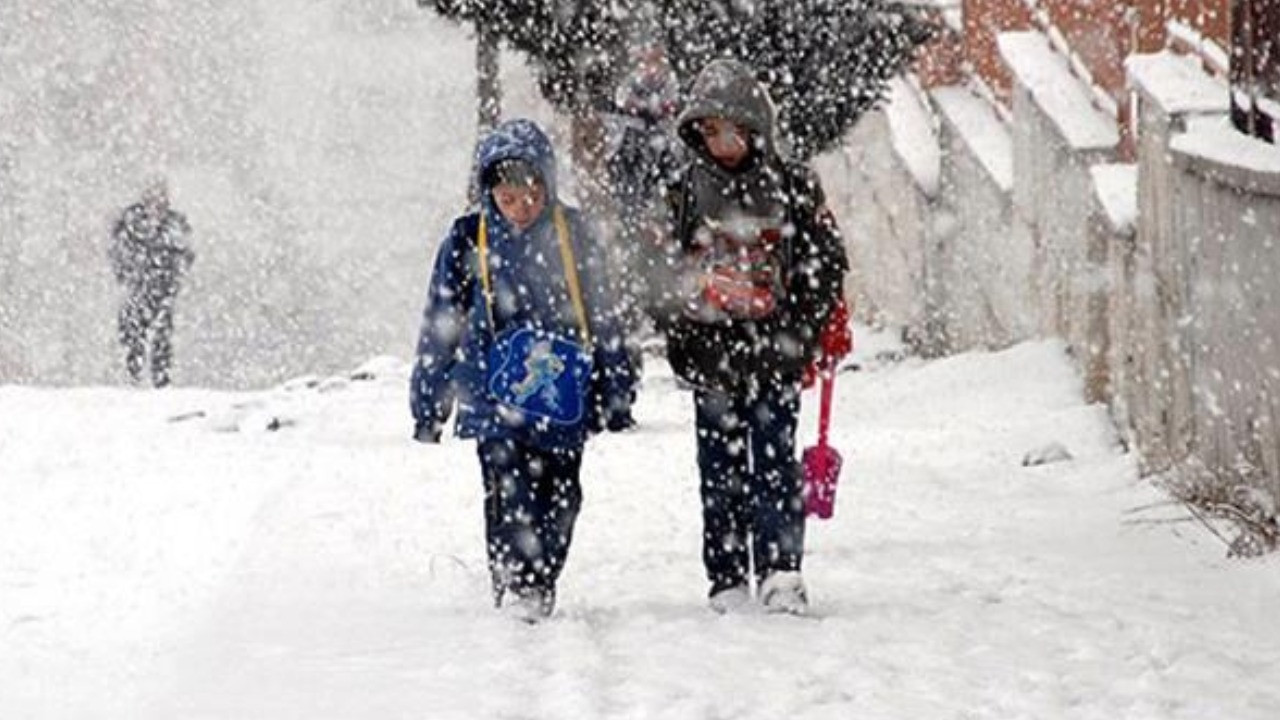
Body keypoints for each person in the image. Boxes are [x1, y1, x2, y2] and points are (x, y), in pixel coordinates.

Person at [410, 118, 635, 623]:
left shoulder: (574, 235)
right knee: (506, 489)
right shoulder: (468, 239)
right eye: (508, 198)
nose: (520, 208)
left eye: (531, 196)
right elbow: (441, 322)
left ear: (547, 186)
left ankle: (542, 576)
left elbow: (603, 314)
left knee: (561, 494)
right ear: (490, 192)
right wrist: (429, 400)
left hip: (562, 395)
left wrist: (616, 387)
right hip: (491, 394)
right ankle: (515, 582)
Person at [659, 59, 851, 615]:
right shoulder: (682, 193)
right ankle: (726, 575)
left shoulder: (792, 186)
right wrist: (688, 311)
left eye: (733, 132)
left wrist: (805, 326)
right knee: (719, 470)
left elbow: (824, 261)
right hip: (711, 355)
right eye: (710, 131)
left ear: (755, 129)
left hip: (775, 352)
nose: (722, 144)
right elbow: (657, 269)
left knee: (774, 464)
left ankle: (781, 569)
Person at [602, 42, 684, 364]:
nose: (650, 67)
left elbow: (673, 169)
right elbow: (620, 165)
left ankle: (663, 321)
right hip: (634, 201)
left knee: (662, 263)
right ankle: (634, 320)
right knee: (632, 260)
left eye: (655, 61)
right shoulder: (628, 106)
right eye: (646, 61)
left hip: (660, 206)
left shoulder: (672, 102)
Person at [108, 177, 194, 387]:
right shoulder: (130, 222)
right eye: (152, 194)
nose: (156, 201)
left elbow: (186, 254)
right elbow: (118, 253)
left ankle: (160, 380)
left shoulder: (174, 224)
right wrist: (129, 273)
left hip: (164, 289)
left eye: (161, 195)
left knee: (162, 336)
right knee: (133, 334)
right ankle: (132, 378)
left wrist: (174, 276)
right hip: (138, 288)